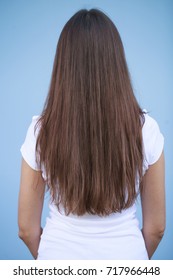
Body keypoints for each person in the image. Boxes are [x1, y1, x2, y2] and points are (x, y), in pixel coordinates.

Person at [18, 9, 165, 260]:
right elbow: (156, 229)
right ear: (116, 63)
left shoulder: (41, 131)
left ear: (63, 65)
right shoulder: (146, 130)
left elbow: (26, 229)